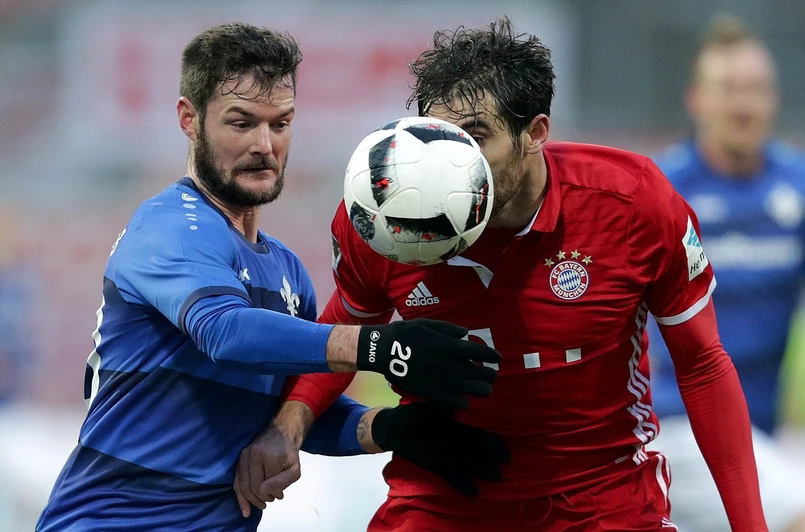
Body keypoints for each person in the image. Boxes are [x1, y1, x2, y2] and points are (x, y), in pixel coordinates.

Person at [235, 16, 770, 531]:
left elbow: (702, 365)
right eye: (442, 137)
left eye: (476, 136)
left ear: (534, 132)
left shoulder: (632, 203)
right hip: (441, 501)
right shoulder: (386, 217)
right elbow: (346, 331)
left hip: (605, 501)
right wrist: (287, 427)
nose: (454, 165)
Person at [35, 23, 505, 532]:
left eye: (280, 124)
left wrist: (393, 428)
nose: (264, 145)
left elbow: (287, 414)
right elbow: (226, 332)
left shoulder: (287, 271)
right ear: (189, 119)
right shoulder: (168, 227)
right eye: (241, 123)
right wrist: (383, 345)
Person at [646, 15, 805, 532]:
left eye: (757, 88)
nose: (745, 104)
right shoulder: (661, 189)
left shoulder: (797, 186)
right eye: (729, 88)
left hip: (762, 437)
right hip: (676, 425)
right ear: (697, 100)